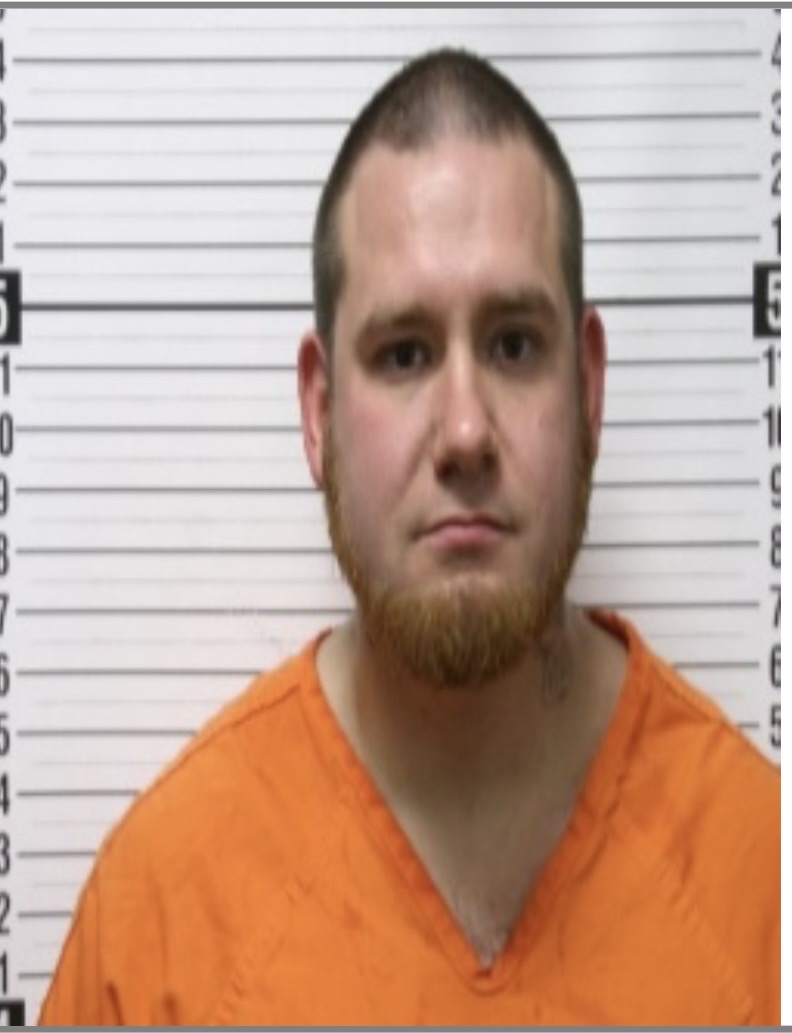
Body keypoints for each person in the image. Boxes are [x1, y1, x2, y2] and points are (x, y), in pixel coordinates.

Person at [39, 48, 779, 1027]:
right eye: (403, 354)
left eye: (514, 343)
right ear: (319, 412)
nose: (465, 431)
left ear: (588, 387)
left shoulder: (760, 887)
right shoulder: (162, 921)